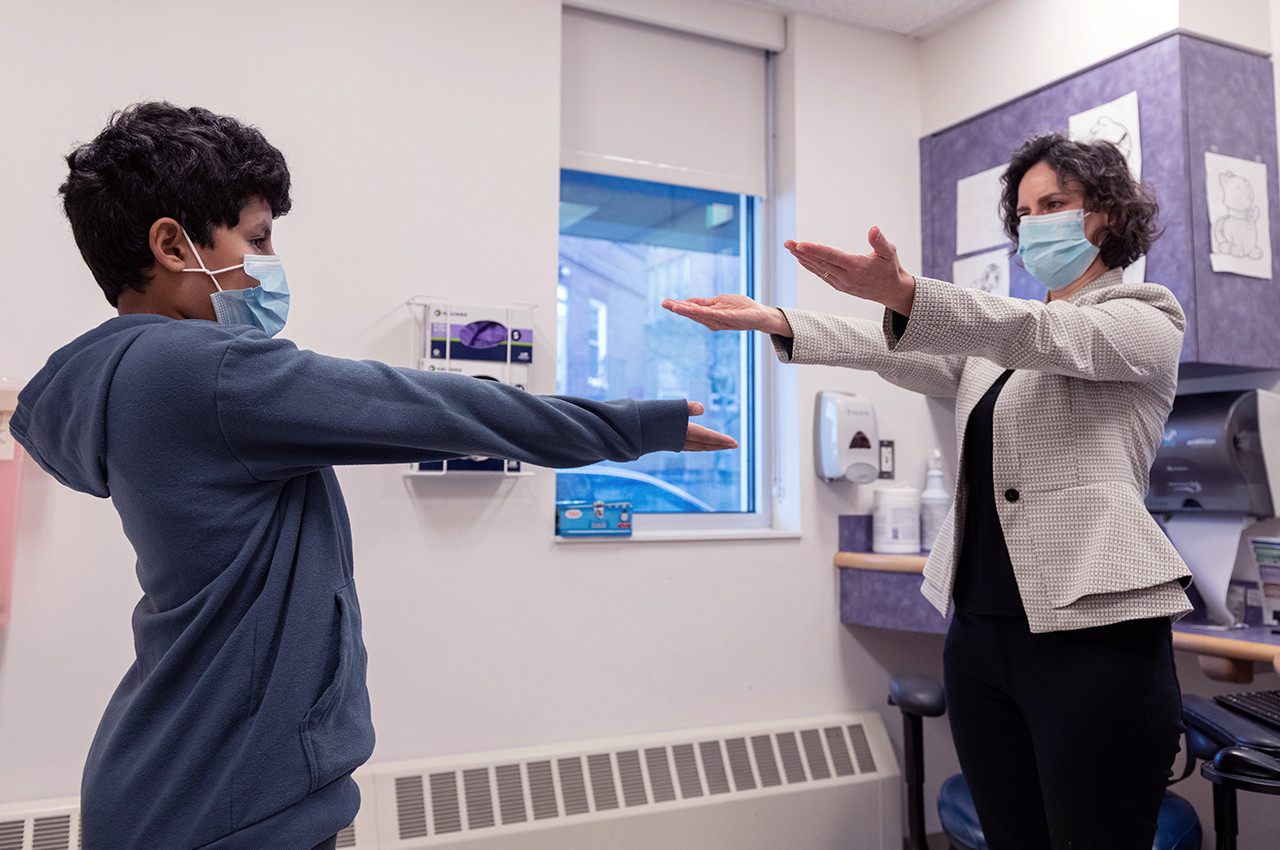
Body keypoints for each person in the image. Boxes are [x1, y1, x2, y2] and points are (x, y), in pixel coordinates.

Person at [10, 102, 736, 850]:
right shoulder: (207, 373)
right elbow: (434, 407)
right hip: (225, 806)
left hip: (179, 787)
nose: (269, 261)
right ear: (172, 244)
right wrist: (633, 427)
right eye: (257, 237)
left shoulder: (123, 379)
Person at [664, 133, 1191, 849]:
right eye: (1027, 210)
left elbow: (1040, 332)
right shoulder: (1000, 350)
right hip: (981, 635)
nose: (1037, 221)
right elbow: (895, 346)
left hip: (1094, 642)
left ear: (1105, 213)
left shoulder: (1145, 319)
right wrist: (779, 320)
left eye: (1056, 204)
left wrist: (908, 291)